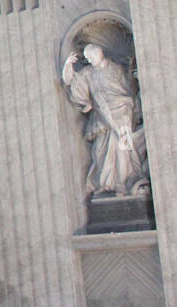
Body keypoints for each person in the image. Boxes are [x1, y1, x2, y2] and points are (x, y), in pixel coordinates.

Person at [61, 44, 149, 198]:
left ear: (99, 53)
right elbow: (72, 83)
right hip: (102, 118)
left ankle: (125, 183)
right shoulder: (88, 73)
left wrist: (132, 110)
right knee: (100, 151)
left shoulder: (117, 69)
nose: (88, 60)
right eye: (87, 59)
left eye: (90, 57)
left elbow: (129, 89)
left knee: (124, 149)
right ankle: (108, 184)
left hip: (122, 114)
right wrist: (68, 66)